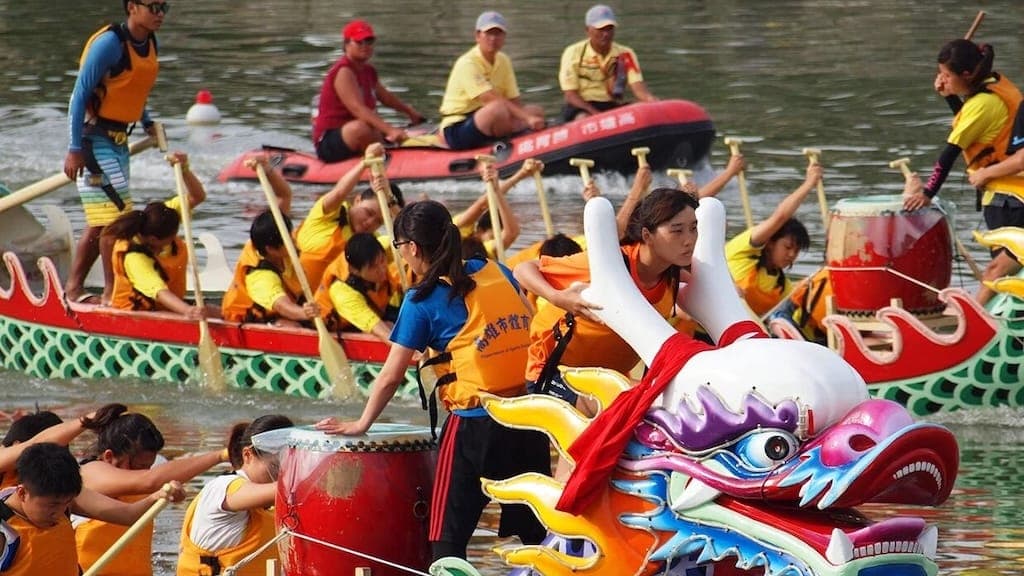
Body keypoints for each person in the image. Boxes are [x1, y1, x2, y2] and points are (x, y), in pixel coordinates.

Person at [315, 200, 550, 561]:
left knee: (445, 540)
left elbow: (392, 375)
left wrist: (362, 423)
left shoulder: (421, 300)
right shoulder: (497, 270)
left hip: (474, 429)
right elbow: (525, 321)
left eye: (399, 248)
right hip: (528, 419)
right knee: (537, 532)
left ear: (411, 247)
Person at [514, 188, 698, 414]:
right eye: (677, 231)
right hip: (554, 375)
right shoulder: (607, 263)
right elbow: (523, 269)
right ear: (647, 235)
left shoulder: (674, 275)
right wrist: (558, 297)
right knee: (635, 411)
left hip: (611, 380)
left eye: (694, 228)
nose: (689, 240)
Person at [63, 0, 168, 305]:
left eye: (165, 7)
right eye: (154, 7)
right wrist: (74, 149)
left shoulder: (149, 40)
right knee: (116, 219)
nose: (160, 14)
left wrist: (147, 121)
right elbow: (79, 96)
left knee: (101, 220)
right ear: (132, 6)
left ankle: (75, 288)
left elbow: (133, 87)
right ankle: (111, 295)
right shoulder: (109, 43)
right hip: (92, 142)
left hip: (119, 140)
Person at [902, 39, 1023, 304]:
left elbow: (950, 153)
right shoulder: (996, 85)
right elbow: (974, 126)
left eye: (947, 75)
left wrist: (928, 192)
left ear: (967, 74)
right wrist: (950, 97)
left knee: (998, 272)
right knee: (1007, 275)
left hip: (1009, 199)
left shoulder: (983, 103)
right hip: (1006, 193)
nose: (941, 79)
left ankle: (977, 325)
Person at [75, 405, 230, 576]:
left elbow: (156, 479)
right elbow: (148, 481)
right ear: (109, 457)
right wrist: (221, 455)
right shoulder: (90, 472)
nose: (146, 471)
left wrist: (170, 493)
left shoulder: (143, 476)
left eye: (149, 466)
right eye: (140, 466)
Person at [0, 443, 183, 576]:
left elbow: (129, 515)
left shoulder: (65, 497)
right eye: (52, 505)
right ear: (23, 493)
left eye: (67, 503)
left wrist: (158, 497)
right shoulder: (4, 530)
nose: (59, 513)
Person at [177, 415, 294, 576]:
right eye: (275, 465)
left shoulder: (275, 500)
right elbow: (285, 488)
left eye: (289, 465)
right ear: (247, 455)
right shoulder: (222, 487)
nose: (282, 473)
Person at [102, 153, 216, 317]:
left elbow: (197, 196)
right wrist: (189, 311)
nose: (175, 238)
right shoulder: (134, 258)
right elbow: (159, 292)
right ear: (154, 239)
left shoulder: (162, 215)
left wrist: (184, 169)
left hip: (167, 309)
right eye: (171, 237)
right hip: (135, 316)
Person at [313, 19, 425, 163]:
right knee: (361, 128)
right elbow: (357, 109)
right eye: (359, 42)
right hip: (331, 140)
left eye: (369, 41)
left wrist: (410, 112)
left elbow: (386, 98)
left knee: (373, 128)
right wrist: (389, 130)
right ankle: (383, 154)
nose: (365, 46)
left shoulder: (368, 70)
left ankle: (387, 147)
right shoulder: (343, 71)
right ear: (347, 44)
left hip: (360, 131)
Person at [439, 11, 546, 150]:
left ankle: (512, 135)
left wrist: (528, 116)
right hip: (458, 125)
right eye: (488, 33)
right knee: (498, 109)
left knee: (536, 110)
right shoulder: (467, 63)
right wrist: (527, 119)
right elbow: (488, 98)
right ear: (478, 36)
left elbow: (514, 99)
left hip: (487, 118)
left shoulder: (503, 60)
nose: (493, 38)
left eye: (498, 34)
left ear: (504, 37)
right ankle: (506, 142)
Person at [725, 163, 821, 317]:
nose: (791, 255)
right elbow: (780, 217)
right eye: (788, 247)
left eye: (796, 251)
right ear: (770, 242)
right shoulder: (743, 252)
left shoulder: (782, 287)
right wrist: (809, 183)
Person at [295, 143, 392, 289]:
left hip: (328, 303)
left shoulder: (373, 243)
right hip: (295, 295)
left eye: (378, 221)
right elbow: (340, 192)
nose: (369, 222)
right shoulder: (327, 214)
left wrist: (391, 199)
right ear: (357, 200)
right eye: (368, 213)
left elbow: (402, 237)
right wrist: (365, 163)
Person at [220, 210, 321, 326]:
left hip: (284, 309)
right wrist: (305, 313)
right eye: (287, 240)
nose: (293, 241)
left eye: (290, 234)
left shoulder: (281, 250)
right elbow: (282, 306)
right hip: (247, 319)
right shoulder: (260, 277)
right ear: (271, 249)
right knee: (294, 326)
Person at [558, 4, 656, 122]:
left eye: (609, 29)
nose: (606, 34)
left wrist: (654, 103)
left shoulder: (626, 54)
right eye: (600, 29)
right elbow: (570, 94)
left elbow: (638, 88)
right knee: (584, 119)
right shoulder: (573, 53)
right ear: (588, 30)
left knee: (641, 110)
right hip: (581, 106)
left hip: (611, 104)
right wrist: (596, 114)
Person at [315, 232, 401, 341]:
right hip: (342, 326)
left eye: (383, 260)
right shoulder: (343, 293)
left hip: (379, 309)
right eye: (373, 267)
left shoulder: (380, 248)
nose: (382, 269)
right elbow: (378, 329)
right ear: (355, 271)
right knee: (389, 329)